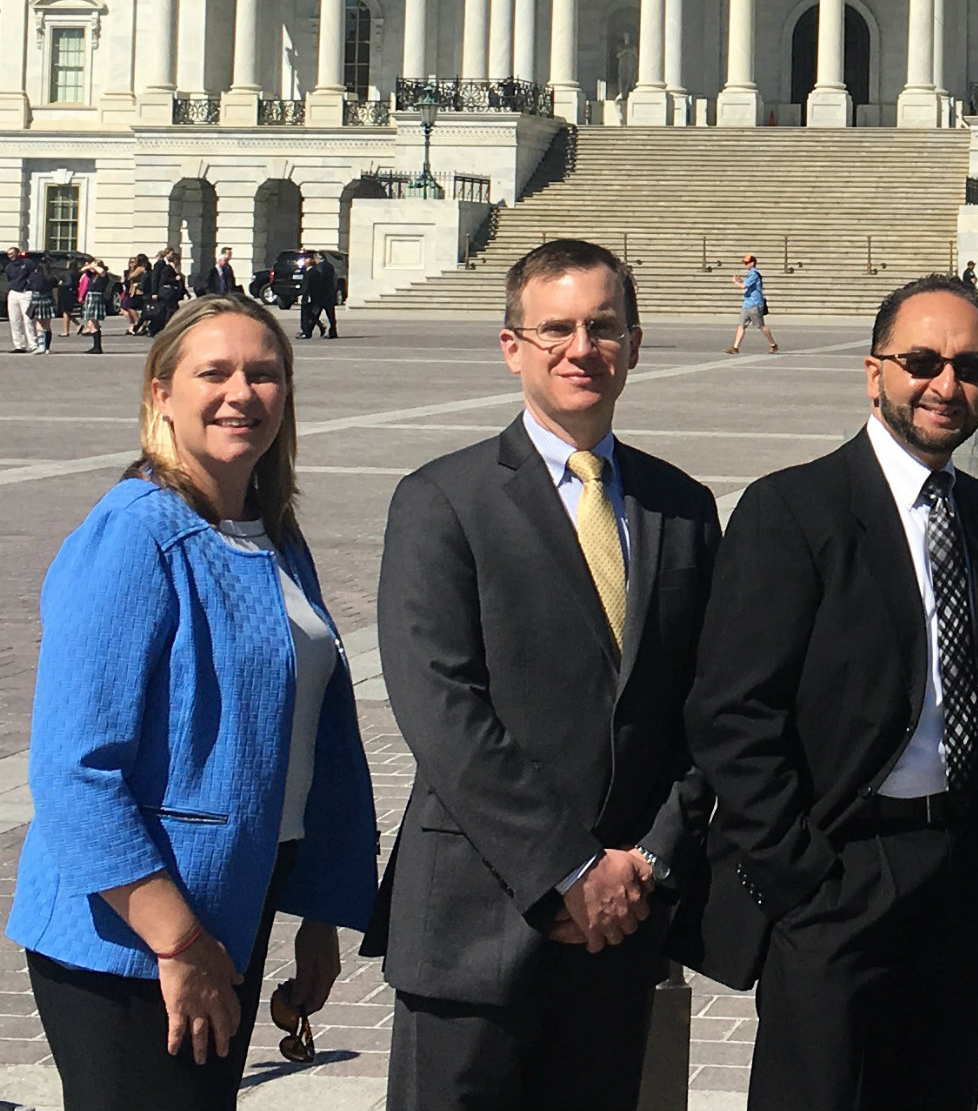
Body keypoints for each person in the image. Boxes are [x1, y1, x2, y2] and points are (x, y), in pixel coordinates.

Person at [365, 239, 718, 1111]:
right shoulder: (441, 499)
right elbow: (441, 709)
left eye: (603, 326)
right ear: (512, 346)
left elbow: (710, 706)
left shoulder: (682, 506)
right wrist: (568, 870)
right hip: (475, 926)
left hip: (620, 929)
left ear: (635, 345)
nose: (580, 347)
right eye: (555, 328)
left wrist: (647, 860)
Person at [7, 294, 379, 1111]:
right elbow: (75, 771)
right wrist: (178, 942)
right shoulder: (136, 533)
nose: (240, 393)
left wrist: (317, 911)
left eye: (264, 373)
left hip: (233, 908)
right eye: (213, 372)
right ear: (161, 394)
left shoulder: (273, 532)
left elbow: (316, 740)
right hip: (132, 935)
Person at [688, 274, 978, 1111]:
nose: (947, 384)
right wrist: (800, 878)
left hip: (959, 877)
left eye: (970, 366)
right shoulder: (794, 510)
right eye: (923, 361)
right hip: (841, 869)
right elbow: (729, 714)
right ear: (875, 373)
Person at [727, 252, 777, 355]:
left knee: (761, 326)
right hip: (747, 303)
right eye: (745, 263)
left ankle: (773, 344)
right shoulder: (751, 274)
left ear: (752, 263)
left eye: (747, 263)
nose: (746, 265)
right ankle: (735, 347)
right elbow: (747, 284)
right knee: (741, 325)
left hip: (754, 304)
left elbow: (743, 287)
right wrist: (740, 280)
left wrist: (735, 282)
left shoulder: (754, 273)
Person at [79, 258, 111, 354]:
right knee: (92, 323)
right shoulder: (92, 275)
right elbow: (82, 270)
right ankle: (96, 346)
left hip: (96, 297)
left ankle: (97, 347)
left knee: (93, 323)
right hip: (91, 296)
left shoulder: (103, 276)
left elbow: (102, 271)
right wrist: (90, 266)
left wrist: (95, 265)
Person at [305, 252, 339, 339]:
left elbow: (318, 282)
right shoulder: (330, 266)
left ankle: (308, 332)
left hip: (320, 295)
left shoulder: (319, 267)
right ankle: (333, 331)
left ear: (318, 258)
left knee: (313, 314)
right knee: (331, 315)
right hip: (329, 294)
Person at [5, 246, 32, 351]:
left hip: (26, 293)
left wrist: (29, 285)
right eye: (8, 254)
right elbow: (9, 279)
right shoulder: (9, 267)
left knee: (28, 320)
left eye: (12, 253)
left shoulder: (27, 263)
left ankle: (33, 344)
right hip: (13, 293)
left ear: (17, 253)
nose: (10, 256)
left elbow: (33, 276)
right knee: (14, 320)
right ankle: (19, 345)